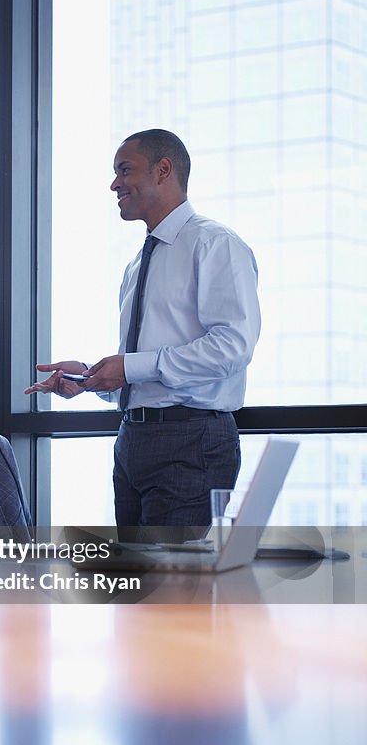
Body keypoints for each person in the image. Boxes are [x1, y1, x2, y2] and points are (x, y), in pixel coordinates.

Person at [25, 129, 261, 537]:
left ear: (163, 170)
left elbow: (232, 346)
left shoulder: (214, 244)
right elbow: (142, 372)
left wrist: (131, 367)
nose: (114, 183)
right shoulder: (137, 265)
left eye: (124, 170)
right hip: (133, 439)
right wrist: (88, 377)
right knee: (137, 589)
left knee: (170, 590)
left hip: (190, 441)